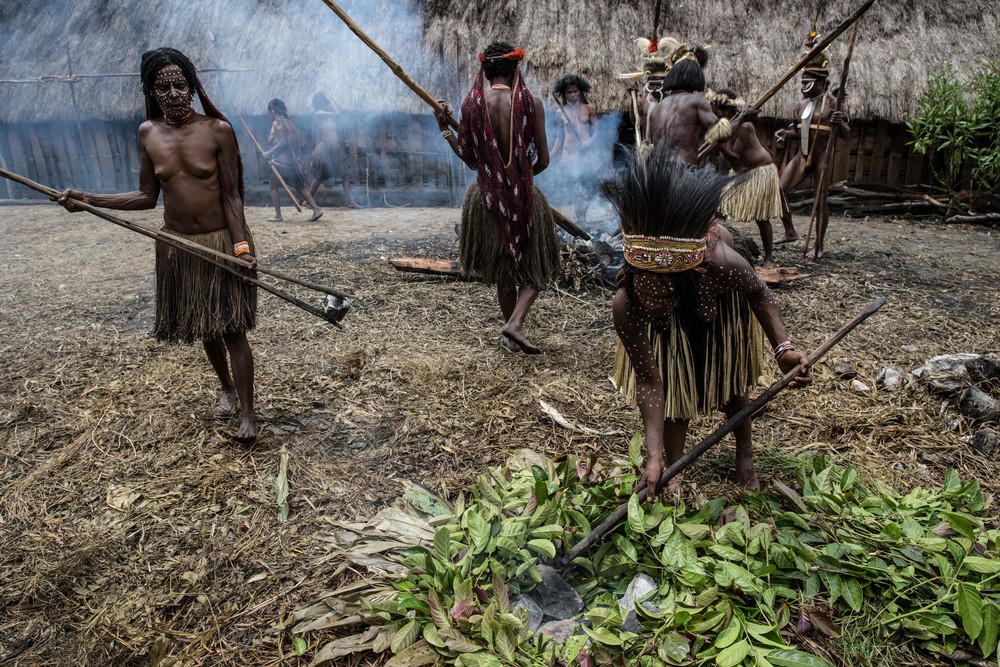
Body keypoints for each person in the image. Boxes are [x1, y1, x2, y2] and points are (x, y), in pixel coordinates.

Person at [57, 47, 259, 443]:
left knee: (233, 329)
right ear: (152, 91)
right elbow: (146, 197)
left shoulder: (218, 129)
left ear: (193, 87)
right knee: (205, 326)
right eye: (163, 87)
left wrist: (240, 249)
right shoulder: (147, 133)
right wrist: (89, 200)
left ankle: (249, 415)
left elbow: (233, 197)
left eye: (180, 85)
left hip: (221, 241)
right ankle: (227, 389)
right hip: (178, 245)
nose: (173, 93)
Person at [603, 142, 812, 497]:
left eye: (663, 296)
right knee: (674, 399)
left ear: (684, 276)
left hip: (719, 304)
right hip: (671, 328)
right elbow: (650, 381)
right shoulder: (627, 304)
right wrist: (652, 458)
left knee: (729, 383)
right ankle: (673, 468)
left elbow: (759, 292)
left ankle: (744, 452)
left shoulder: (719, 264)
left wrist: (783, 349)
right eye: (647, 298)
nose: (653, 304)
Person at [435, 41, 559, 354]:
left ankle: (510, 333)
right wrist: (517, 180)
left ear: (485, 70)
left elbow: (471, 158)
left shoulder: (472, 105)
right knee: (538, 268)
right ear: (516, 68)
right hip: (523, 197)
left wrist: (446, 130)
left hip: (486, 197)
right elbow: (542, 160)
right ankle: (514, 325)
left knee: (504, 270)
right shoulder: (532, 103)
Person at [774, 35, 850, 259]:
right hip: (802, 155)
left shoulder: (832, 103)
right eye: (801, 83)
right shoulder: (801, 105)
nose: (802, 89)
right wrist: (785, 134)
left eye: (807, 84)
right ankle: (790, 231)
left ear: (819, 82)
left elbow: (846, 134)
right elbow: (798, 131)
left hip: (821, 156)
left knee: (819, 201)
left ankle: (818, 244)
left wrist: (838, 123)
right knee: (778, 191)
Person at [709, 89, 785, 268]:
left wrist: (718, 143)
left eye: (714, 109)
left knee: (761, 216)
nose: (712, 113)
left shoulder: (744, 126)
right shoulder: (729, 125)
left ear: (724, 110)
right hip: (740, 173)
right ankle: (717, 247)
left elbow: (734, 157)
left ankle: (768, 258)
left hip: (758, 172)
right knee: (719, 210)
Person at [647, 48, 756, 166]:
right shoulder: (696, 100)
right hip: (681, 173)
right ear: (696, 76)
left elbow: (648, 147)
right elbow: (722, 136)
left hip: (656, 172)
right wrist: (743, 117)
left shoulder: (657, 108)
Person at [262, 98, 323, 222]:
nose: (268, 116)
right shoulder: (289, 123)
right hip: (292, 164)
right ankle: (316, 209)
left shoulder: (277, 124)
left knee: (273, 186)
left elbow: (284, 142)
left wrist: (269, 153)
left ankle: (278, 215)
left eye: (269, 113)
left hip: (280, 164)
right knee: (301, 187)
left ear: (273, 112)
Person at [550, 75, 598, 223]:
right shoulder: (560, 113)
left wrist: (589, 142)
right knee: (575, 189)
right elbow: (559, 138)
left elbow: (597, 132)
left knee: (587, 189)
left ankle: (583, 216)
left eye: (575, 91)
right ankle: (581, 220)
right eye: (569, 92)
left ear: (580, 92)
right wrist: (550, 156)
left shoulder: (589, 109)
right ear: (564, 94)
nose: (572, 95)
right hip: (569, 157)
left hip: (586, 156)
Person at [307, 92, 361, 209]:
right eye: (326, 102)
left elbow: (336, 113)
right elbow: (337, 112)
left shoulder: (328, 119)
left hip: (335, 148)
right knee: (320, 176)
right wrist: (330, 98)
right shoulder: (318, 114)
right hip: (325, 148)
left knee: (344, 174)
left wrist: (330, 99)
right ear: (322, 103)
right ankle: (308, 200)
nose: (328, 104)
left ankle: (351, 201)